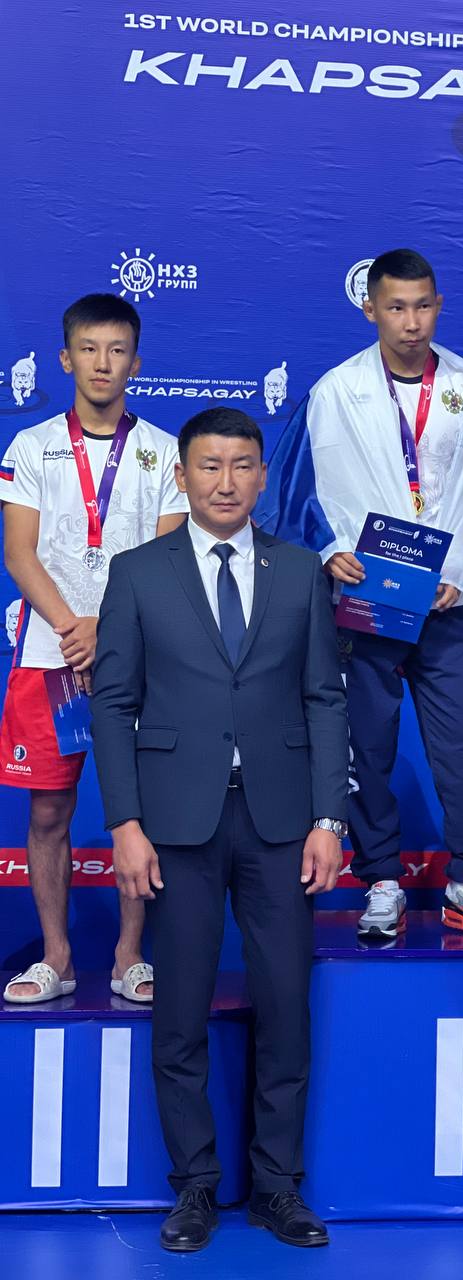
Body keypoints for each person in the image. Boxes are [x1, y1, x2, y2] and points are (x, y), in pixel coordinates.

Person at [90, 407, 349, 1252]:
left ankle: (277, 1187)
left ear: (263, 477)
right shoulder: (138, 573)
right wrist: (125, 823)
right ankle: (195, 1186)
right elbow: (114, 704)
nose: (226, 482)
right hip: (175, 824)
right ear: (182, 476)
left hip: (282, 824)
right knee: (181, 1012)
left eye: (242, 466)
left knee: (285, 1009)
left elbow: (324, 698)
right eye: (209, 466)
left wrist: (328, 817)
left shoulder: (300, 570)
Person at [258, 248, 463, 941]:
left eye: (423, 305)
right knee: (365, 744)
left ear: (439, 305)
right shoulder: (337, 389)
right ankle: (380, 880)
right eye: (396, 307)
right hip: (367, 598)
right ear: (370, 308)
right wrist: (329, 550)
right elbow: (298, 488)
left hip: (448, 598)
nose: (411, 321)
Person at [0, 293, 188, 1004]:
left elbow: (170, 556)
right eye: (88, 349)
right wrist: (73, 627)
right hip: (50, 657)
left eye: (117, 351)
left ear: (136, 362)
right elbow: (19, 553)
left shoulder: (165, 451)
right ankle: (57, 957)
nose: (102, 363)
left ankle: (129, 956)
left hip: (138, 656)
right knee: (48, 813)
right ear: (65, 358)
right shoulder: (30, 446)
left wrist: (107, 629)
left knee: (138, 810)